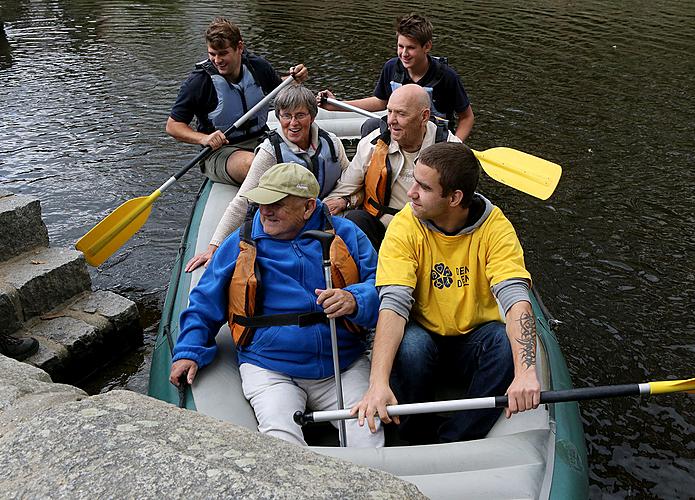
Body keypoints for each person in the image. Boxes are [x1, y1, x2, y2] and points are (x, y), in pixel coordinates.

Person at [170, 163, 384, 448]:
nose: (265, 211)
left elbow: (381, 286)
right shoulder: (241, 243)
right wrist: (188, 351)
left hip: (341, 365)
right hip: (270, 368)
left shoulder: (347, 235)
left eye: (277, 204)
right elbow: (203, 302)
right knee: (281, 442)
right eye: (261, 202)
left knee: (368, 434)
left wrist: (355, 299)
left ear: (308, 207)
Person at [352, 142, 541, 444]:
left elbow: (515, 297)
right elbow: (394, 304)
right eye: (413, 180)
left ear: (454, 198)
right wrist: (377, 383)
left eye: (423, 187)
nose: (411, 192)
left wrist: (527, 373)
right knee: (412, 347)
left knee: (503, 345)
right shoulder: (405, 225)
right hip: (423, 332)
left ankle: (456, 439)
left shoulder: (496, 228)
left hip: (473, 337)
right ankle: (412, 432)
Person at [184, 84, 350, 272]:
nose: (293, 123)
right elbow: (243, 201)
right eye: (286, 116)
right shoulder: (270, 151)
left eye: (300, 115)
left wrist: (344, 200)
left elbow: (352, 181)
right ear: (279, 117)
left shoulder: (332, 143)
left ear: (312, 116)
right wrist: (214, 246)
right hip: (291, 226)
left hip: (328, 218)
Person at [166, 17, 308, 186]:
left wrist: (294, 78)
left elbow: (278, 88)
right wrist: (204, 139)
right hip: (221, 151)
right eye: (212, 54)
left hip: (262, 139)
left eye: (223, 53)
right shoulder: (199, 82)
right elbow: (173, 125)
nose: (217, 60)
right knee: (255, 165)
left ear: (240, 47)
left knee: (302, 157)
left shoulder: (258, 67)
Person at [323, 84, 460, 250]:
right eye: (389, 111)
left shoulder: (451, 149)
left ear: (424, 116)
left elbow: (463, 204)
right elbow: (345, 189)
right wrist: (342, 202)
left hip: (431, 232)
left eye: (401, 114)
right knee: (355, 219)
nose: (391, 121)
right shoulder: (373, 144)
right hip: (384, 230)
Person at [318, 13, 474, 141]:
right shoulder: (392, 67)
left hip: (433, 136)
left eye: (411, 48)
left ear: (427, 46)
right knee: (370, 126)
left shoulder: (447, 76)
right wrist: (336, 104)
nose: (404, 54)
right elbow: (380, 101)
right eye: (401, 46)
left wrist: (455, 145)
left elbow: (466, 117)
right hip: (401, 130)